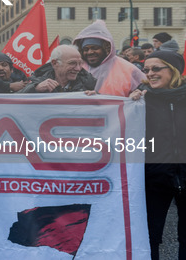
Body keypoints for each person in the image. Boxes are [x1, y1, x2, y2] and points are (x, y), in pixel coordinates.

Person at [129, 51, 186, 260]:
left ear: (173, 70)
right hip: (154, 179)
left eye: (155, 68)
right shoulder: (141, 99)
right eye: (146, 70)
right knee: (149, 237)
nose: (149, 73)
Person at [73, 20, 145, 96]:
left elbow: (147, 90)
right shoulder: (76, 69)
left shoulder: (129, 70)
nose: (90, 52)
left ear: (106, 48)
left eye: (95, 48)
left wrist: (137, 94)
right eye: (86, 49)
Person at [20, 45, 96, 93]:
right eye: (72, 63)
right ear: (55, 63)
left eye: (80, 63)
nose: (78, 68)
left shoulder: (88, 83)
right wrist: (35, 89)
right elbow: (14, 100)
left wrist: (96, 99)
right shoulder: (38, 81)